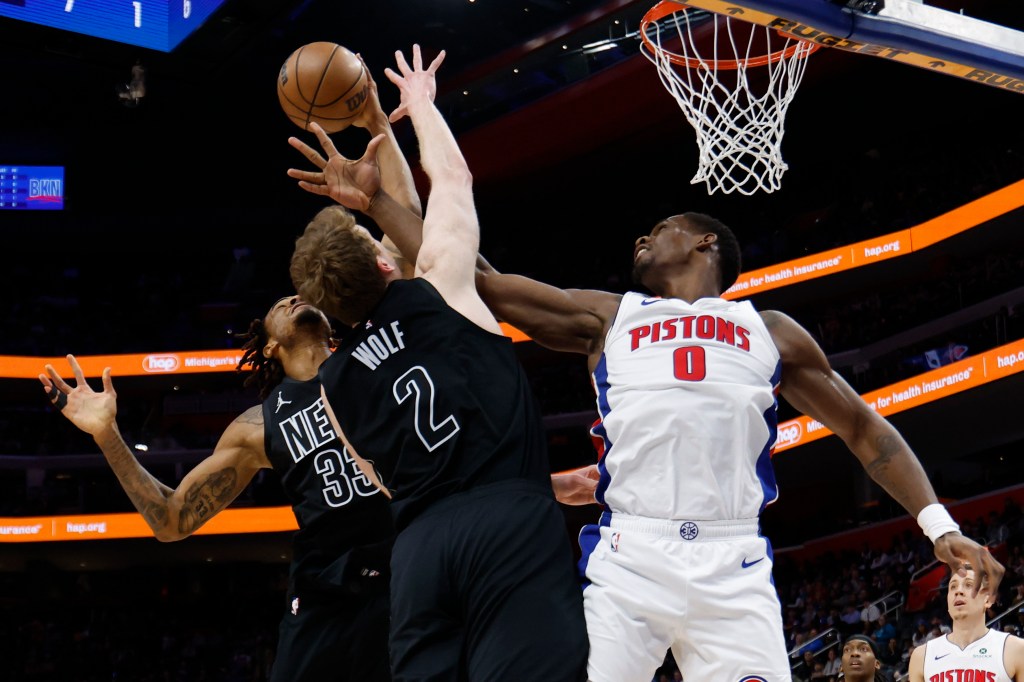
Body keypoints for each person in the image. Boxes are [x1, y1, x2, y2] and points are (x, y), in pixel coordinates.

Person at [281, 144, 1006, 680]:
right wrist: (378, 205)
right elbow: (477, 281)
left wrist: (937, 525)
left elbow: (864, 429)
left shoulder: (770, 331)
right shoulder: (611, 315)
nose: (641, 239)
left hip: (733, 562)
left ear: (705, 242)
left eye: (658, 229)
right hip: (630, 557)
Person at [284, 45, 590, 681]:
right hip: (507, 524)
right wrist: (414, 104)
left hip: (420, 550)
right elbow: (452, 181)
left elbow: (385, 478)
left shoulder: (332, 385)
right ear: (382, 263)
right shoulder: (443, 286)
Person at [907, 566, 1024, 681]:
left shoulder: (1014, 648)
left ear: (987, 599)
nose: (958, 591)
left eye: (968, 585)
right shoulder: (921, 656)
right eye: (953, 587)